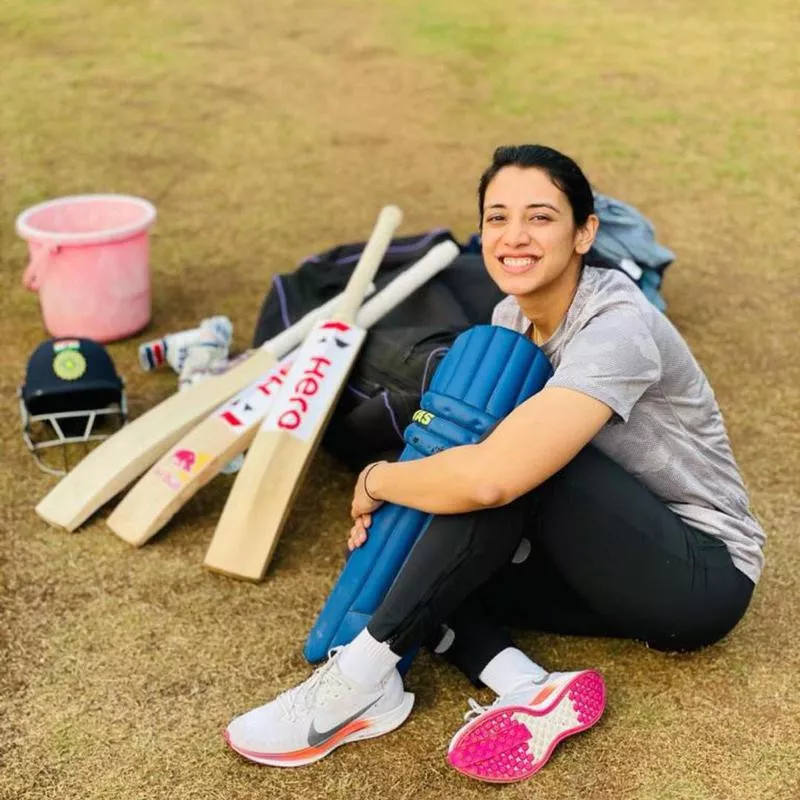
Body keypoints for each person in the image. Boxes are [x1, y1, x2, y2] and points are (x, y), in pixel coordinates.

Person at [223, 145, 765, 783]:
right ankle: (527, 686)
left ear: (584, 232)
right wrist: (403, 511)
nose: (514, 236)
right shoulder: (512, 315)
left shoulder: (616, 327)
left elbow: (493, 477)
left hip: (697, 572)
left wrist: (378, 481)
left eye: (540, 218)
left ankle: (359, 678)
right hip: (600, 561)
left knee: (508, 472)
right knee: (421, 567)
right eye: (497, 217)